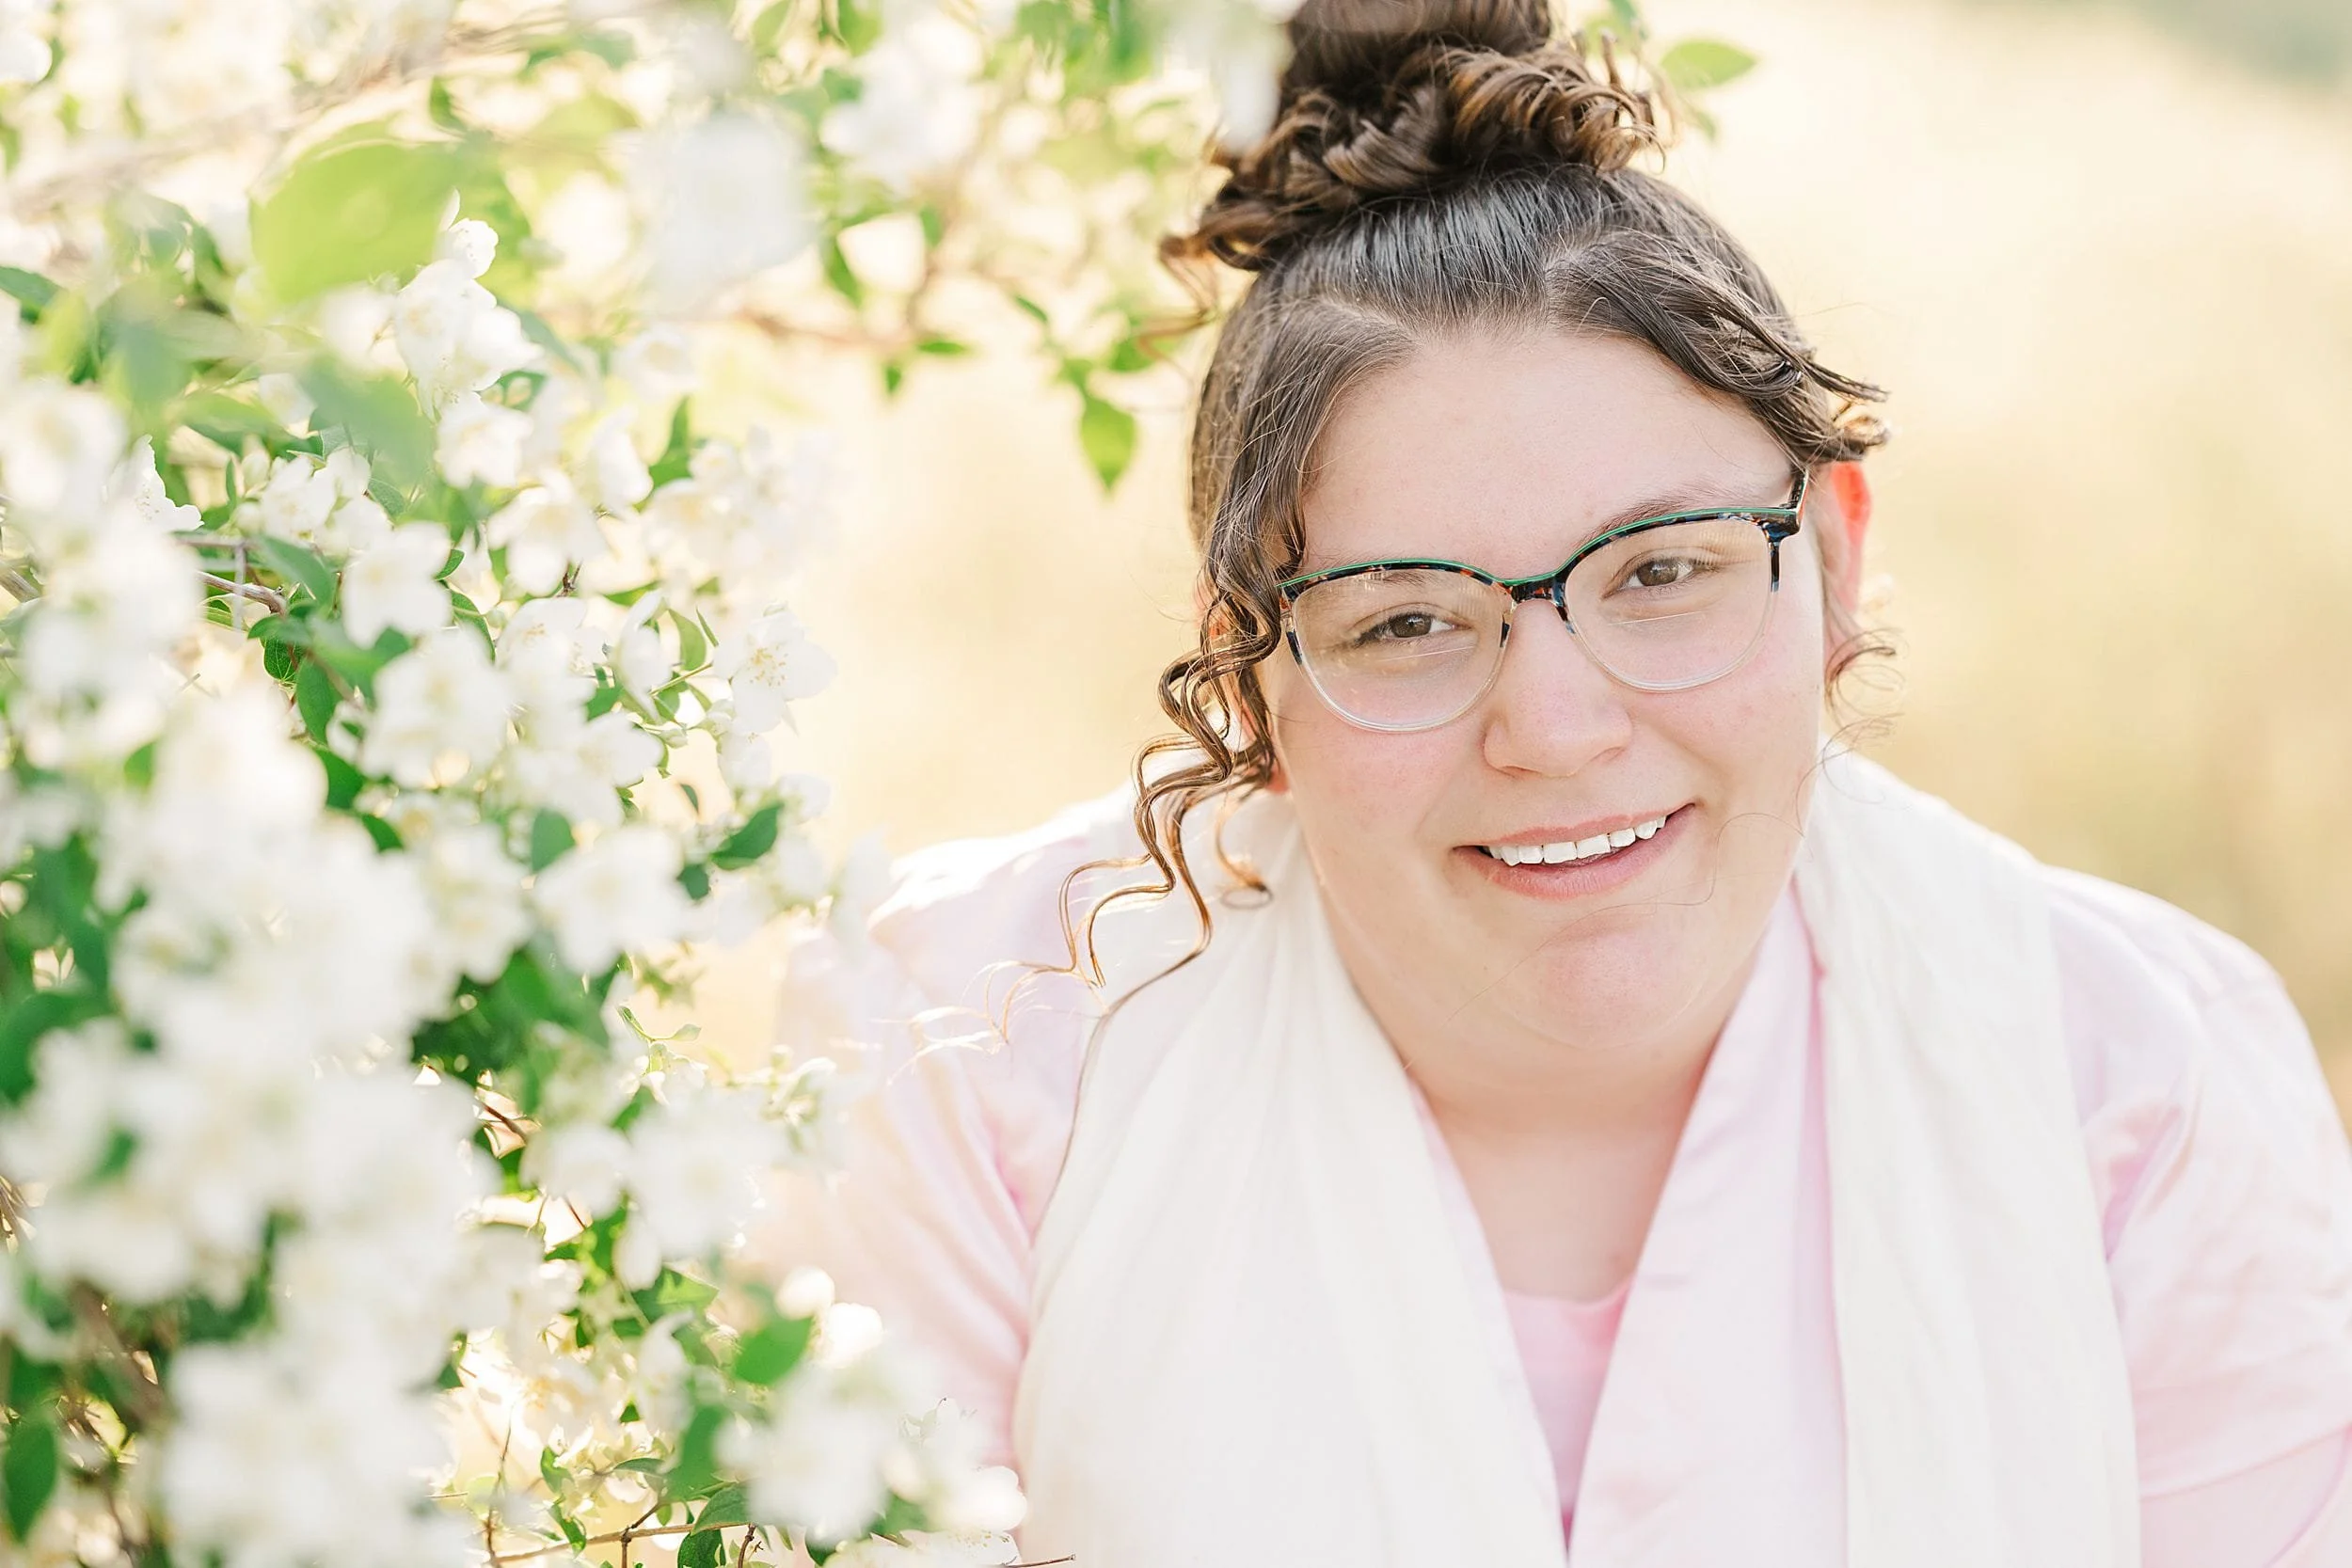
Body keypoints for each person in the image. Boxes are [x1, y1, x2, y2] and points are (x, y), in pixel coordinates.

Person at [766, 1, 2352, 1561]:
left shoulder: (2141, 1085)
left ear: (1839, 564)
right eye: (1405, 619)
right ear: (1250, 670)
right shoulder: (962, 1058)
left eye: (1664, 571)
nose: (1558, 726)